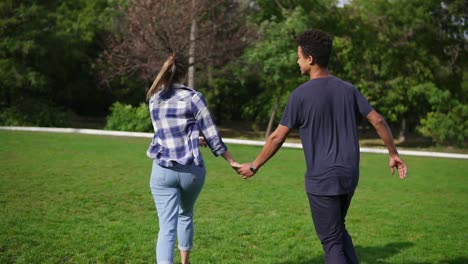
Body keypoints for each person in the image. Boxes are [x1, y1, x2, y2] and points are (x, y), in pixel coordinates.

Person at [237, 29, 408, 263]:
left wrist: (254, 166)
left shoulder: (300, 95)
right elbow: (378, 120)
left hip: (323, 180)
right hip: (349, 175)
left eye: (298, 56)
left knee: (330, 241)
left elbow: (277, 137)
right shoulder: (349, 89)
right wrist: (393, 153)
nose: (296, 61)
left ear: (310, 59)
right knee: (337, 231)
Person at [147, 53, 240, 264]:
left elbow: (166, 133)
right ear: (184, 74)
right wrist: (232, 161)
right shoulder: (194, 97)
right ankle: (185, 262)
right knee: (186, 214)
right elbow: (212, 134)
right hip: (191, 172)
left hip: (163, 170)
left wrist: (193, 138)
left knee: (166, 227)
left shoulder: (154, 98)